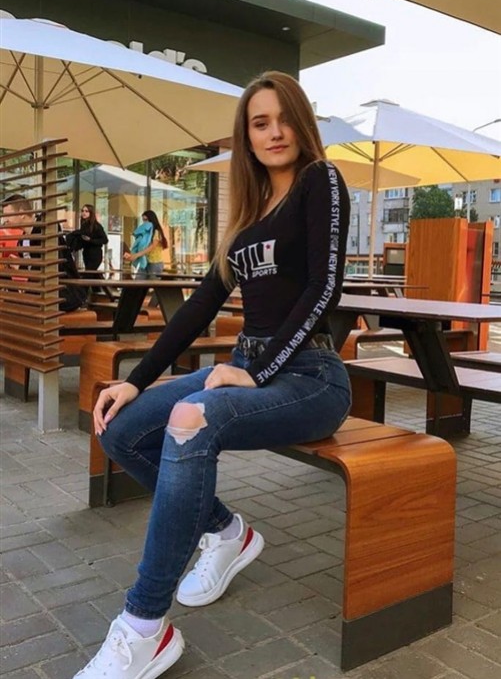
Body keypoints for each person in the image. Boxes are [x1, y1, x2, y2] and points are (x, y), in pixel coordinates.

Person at [75, 71, 351, 679]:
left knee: (190, 418)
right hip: (250, 367)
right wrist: (136, 380)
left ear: (302, 122)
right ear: (246, 136)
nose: (274, 132)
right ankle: (226, 532)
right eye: (259, 123)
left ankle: (144, 627)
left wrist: (261, 371)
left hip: (310, 376)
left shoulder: (321, 180)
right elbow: (200, 305)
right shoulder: (249, 214)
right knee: (120, 428)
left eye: (284, 118)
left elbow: (324, 286)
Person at [124, 209, 168, 279]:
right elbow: (141, 246)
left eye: (146, 220)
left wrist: (136, 255)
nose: (145, 222)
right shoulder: (145, 234)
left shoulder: (156, 232)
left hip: (154, 263)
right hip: (144, 261)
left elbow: (152, 246)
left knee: (152, 283)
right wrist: (132, 255)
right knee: (138, 282)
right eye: (143, 220)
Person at [78, 203, 108, 273]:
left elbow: (105, 240)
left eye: (86, 211)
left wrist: (90, 240)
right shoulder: (84, 225)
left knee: (89, 273)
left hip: (95, 254)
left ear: (91, 213)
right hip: (86, 253)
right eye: (82, 211)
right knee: (89, 273)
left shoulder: (97, 226)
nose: (84, 213)